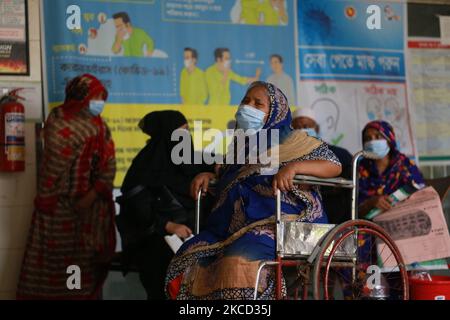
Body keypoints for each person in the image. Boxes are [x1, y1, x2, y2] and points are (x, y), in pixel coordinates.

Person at [165, 82, 342, 299]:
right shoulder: (240, 145)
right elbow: (233, 177)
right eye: (245, 101)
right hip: (232, 227)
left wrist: (295, 167)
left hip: (282, 222)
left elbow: (334, 165)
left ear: (275, 113)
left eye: (258, 104)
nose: (248, 107)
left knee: (239, 261)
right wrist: (211, 176)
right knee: (186, 258)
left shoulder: (295, 140)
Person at [17, 74, 116, 299]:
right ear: (81, 97)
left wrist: (90, 197)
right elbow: (54, 165)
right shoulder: (60, 119)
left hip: (90, 214)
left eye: (102, 98)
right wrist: (48, 199)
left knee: (84, 271)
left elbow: (108, 166)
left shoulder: (100, 125)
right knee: (56, 271)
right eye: (96, 97)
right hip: (59, 213)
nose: (100, 102)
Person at [116, 111, 213, 299]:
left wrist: (211, 174)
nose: (184, 138)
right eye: (179, 133)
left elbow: (218, 170)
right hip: (157, 243)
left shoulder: (194, 161)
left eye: (187, 131)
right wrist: (168, 225)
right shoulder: (145, 166)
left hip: (195, 243)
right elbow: (135, 208)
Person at [292, 107, 353, 224]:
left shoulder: (339, 154)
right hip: (296, 214)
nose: (302, 131)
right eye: (297, 127)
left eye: (306, 126)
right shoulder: (285, 155)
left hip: (335, 217)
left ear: (317, 128)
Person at [358, 120, 425, 217]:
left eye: (378, 136)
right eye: (368, 138)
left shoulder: (405, 165)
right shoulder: (360, 169)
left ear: (390, 140)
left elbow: (421, 193)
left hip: (404, 220)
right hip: (370, 227)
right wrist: (371, 203)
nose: (372, 141)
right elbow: (353, 208)